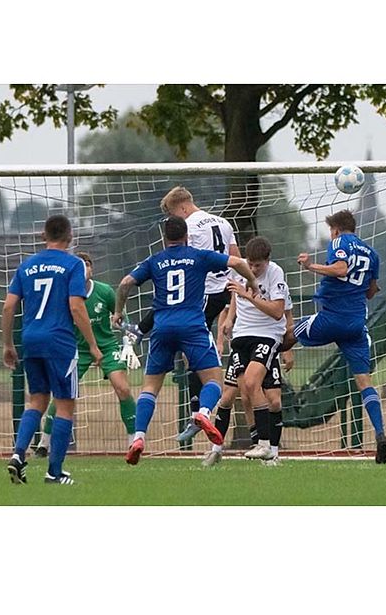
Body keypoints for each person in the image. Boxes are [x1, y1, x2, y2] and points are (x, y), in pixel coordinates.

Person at [113, 216, 258, 465]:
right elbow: (236, 262)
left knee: (150, 388)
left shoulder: (155, 260)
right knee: (213, 379)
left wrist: (118, 311)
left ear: (164, 237)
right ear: (187, 236)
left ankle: (138, 438)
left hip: (162, 327)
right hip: (192, 325)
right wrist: (253, 282)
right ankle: (202, 413)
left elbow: (126, 283)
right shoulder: (198, 256)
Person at [122, 186, 240, 444]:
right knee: (194, 354)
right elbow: (236, 258)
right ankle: (199, 412)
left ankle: (197, 414)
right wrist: (235, 296)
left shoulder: (192, 227)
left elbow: (184, 262)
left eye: (174, 214)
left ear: (183, 208)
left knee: (185, 338)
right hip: (223, 290)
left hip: (202, 292)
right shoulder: (223, 221)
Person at [280, 209, 386, 464]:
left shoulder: (340, 242)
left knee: (287, 334)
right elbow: (372, 291)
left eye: (331, 231)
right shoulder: (372, 253)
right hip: (356, 325)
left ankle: (270, 365)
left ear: (337, 230)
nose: (331, 235)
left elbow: (340, 269)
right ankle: (381, 432)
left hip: (332, 319)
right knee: (364, 382)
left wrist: (310, 266)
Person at [1, 215, 102, 485]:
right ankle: (54, 473)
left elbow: (8, 306)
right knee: (65, 406)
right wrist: (92, 344)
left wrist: (8, 344)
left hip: (31, 339)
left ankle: (18, 454)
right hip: (59, 342)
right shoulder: (74, 264)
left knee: (36, 400)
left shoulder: (27, 265)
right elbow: (76, 306)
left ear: (43, 235)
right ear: (69, 236)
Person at [34, 251, 139, 457]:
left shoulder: (105, 291)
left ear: (92, 268)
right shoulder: (65, 295)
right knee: (62, 395)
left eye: (88, 264)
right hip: (77, 349)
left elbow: (121, 320)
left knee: (123, 389)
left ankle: (134, 442)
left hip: (107, 346)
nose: (85, 268)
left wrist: (128, 342)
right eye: (81, 265)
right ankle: (44, 444)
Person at [203, 236, 293, 467]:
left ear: (267, 261)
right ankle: (218, 448)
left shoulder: (275, 273)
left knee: (263, 392)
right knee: (232, 394)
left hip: (266, 335)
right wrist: (230, 319)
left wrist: (247, 296)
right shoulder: (239, 268)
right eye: (250, 264)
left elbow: (278, 312)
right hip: (241, 337)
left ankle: (268, 447)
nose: (252, 269)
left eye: (258, 265)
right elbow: (234, 296)